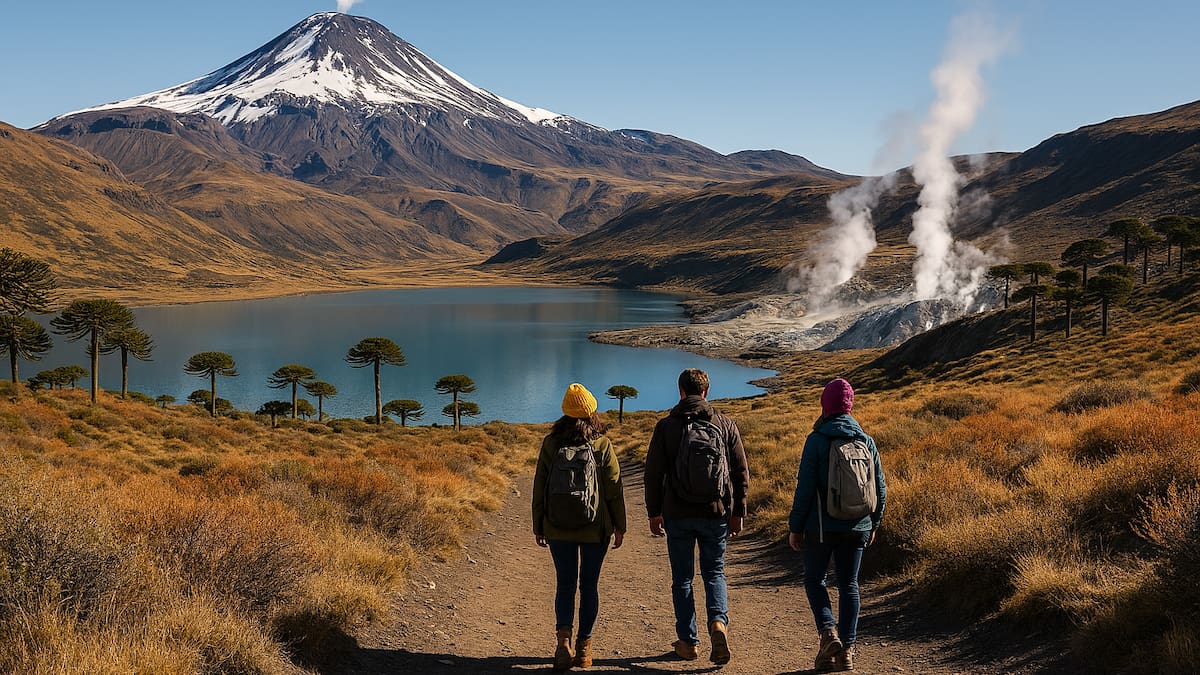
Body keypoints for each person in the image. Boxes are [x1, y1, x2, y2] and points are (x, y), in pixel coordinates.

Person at [645, 368, 750, 665]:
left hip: (677, 514)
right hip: (715, 513)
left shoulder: (666, 426)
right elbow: (741, 473)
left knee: (683, 579)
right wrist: (738, 512)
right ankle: (718, 624)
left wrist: (654, 513)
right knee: (714, 572)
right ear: (706, 392)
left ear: (680, 391)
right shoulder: (725, 424)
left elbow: (653, 474)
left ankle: (688, 642)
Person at [788, 377, 886, 672]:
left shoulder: (817, 440)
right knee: (849, 585)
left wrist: (795, 526)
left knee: (815, 580)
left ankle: (828, 632)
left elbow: (804, 487)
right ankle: (847, 652)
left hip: (820, 527)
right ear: (849, 406)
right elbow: (879, 487)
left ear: (826, 405)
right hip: (858, 526)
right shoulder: (865, 440)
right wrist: (873, 523)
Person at [532, 383, 627, 672]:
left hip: (558, 528)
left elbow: (539, 487)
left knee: (565, 584)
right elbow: (613, 488)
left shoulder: (551, 443)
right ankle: (584, 648)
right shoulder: (601, 444)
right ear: (590, 411)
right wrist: (619, 525)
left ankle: (563, 641)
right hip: (594, 529)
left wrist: (539, 525)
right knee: (589, 586)